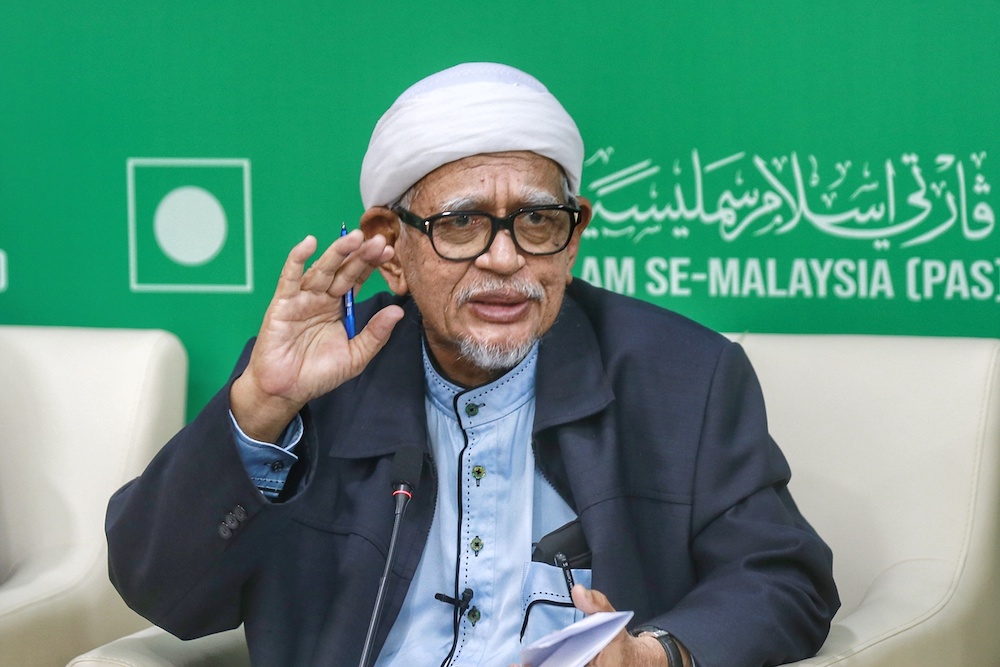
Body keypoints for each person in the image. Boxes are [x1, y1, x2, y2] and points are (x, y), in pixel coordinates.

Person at [107, 62, 838, 667]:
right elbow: (161, 590)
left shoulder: (684, 376)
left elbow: (780, 577)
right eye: (460, 223)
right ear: (389, 246)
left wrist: (658, 656)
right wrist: (261, 407)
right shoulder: (312, 374)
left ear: (574, 235)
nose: (504, 256)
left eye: (537, 220)